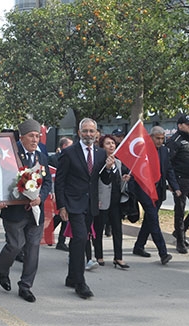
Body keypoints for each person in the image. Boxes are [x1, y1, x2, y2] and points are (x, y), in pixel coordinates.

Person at [55, 118, 115, 299]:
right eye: (85, 131)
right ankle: (80, 283)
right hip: (73, 204)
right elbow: (60, 181)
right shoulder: (69, 153)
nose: (89, 134)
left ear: (96, 133)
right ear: (79, 133)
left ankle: (71, 276)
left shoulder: (100, 153)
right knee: (81, 238)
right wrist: (62, 206)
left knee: (77, 241)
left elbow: (104, 179)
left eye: (92, 131)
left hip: (91, 205)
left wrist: (110, 169)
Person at [0, 120, 52, 303]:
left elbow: (48, 183)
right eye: (31, 136)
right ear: (22, 137)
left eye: (37, 136)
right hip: (15, 211)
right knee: (15, 245)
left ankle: (25, 286)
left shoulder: (41, 156)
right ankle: (3, 271)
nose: (35, 140)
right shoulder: (10, 154)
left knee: (33, 248)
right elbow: (1, 180)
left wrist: (40, 197)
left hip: (35, 211)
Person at [131, 126, 180, 265]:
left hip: (159, 190)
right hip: (144, 190)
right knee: (153, 219)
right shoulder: (142, 150)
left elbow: (169, 169)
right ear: (150, 137)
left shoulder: (164, 151)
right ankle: (163, 253)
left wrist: (175, 187)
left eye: (162, 138)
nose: (160, 141)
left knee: (149, 220)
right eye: (157, 138)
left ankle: (139, 246)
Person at [166, 115, 189, 254]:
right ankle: (180, 242)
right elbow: (168, 163)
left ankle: (180, 231)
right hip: (180, 180)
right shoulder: (174, 141)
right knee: (180, 211)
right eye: (187, 124)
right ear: (180, 125)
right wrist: (172, 184)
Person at [93, 135, 130, 268]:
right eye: (108, 143)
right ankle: (99, 255)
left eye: (113, 143)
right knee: (99, 228)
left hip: (116, 201)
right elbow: (99, 181)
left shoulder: (118, 163)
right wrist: (107, 168)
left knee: (117, 229)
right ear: (102, 147)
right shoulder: (98, 162)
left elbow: (117, 182)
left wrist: (124, 180)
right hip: (102, 200)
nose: (111, 146)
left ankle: (118, 257)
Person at [49, 137, 73, 251]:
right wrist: (52, 191)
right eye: (70, 145)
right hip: (57, 192)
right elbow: (50, 176)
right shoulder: (53, 159)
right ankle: (48, 234)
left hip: (69, 192)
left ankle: (60, 240)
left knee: (63, 216)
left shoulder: (73, 158)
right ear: (64, 146)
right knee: (60, 216)